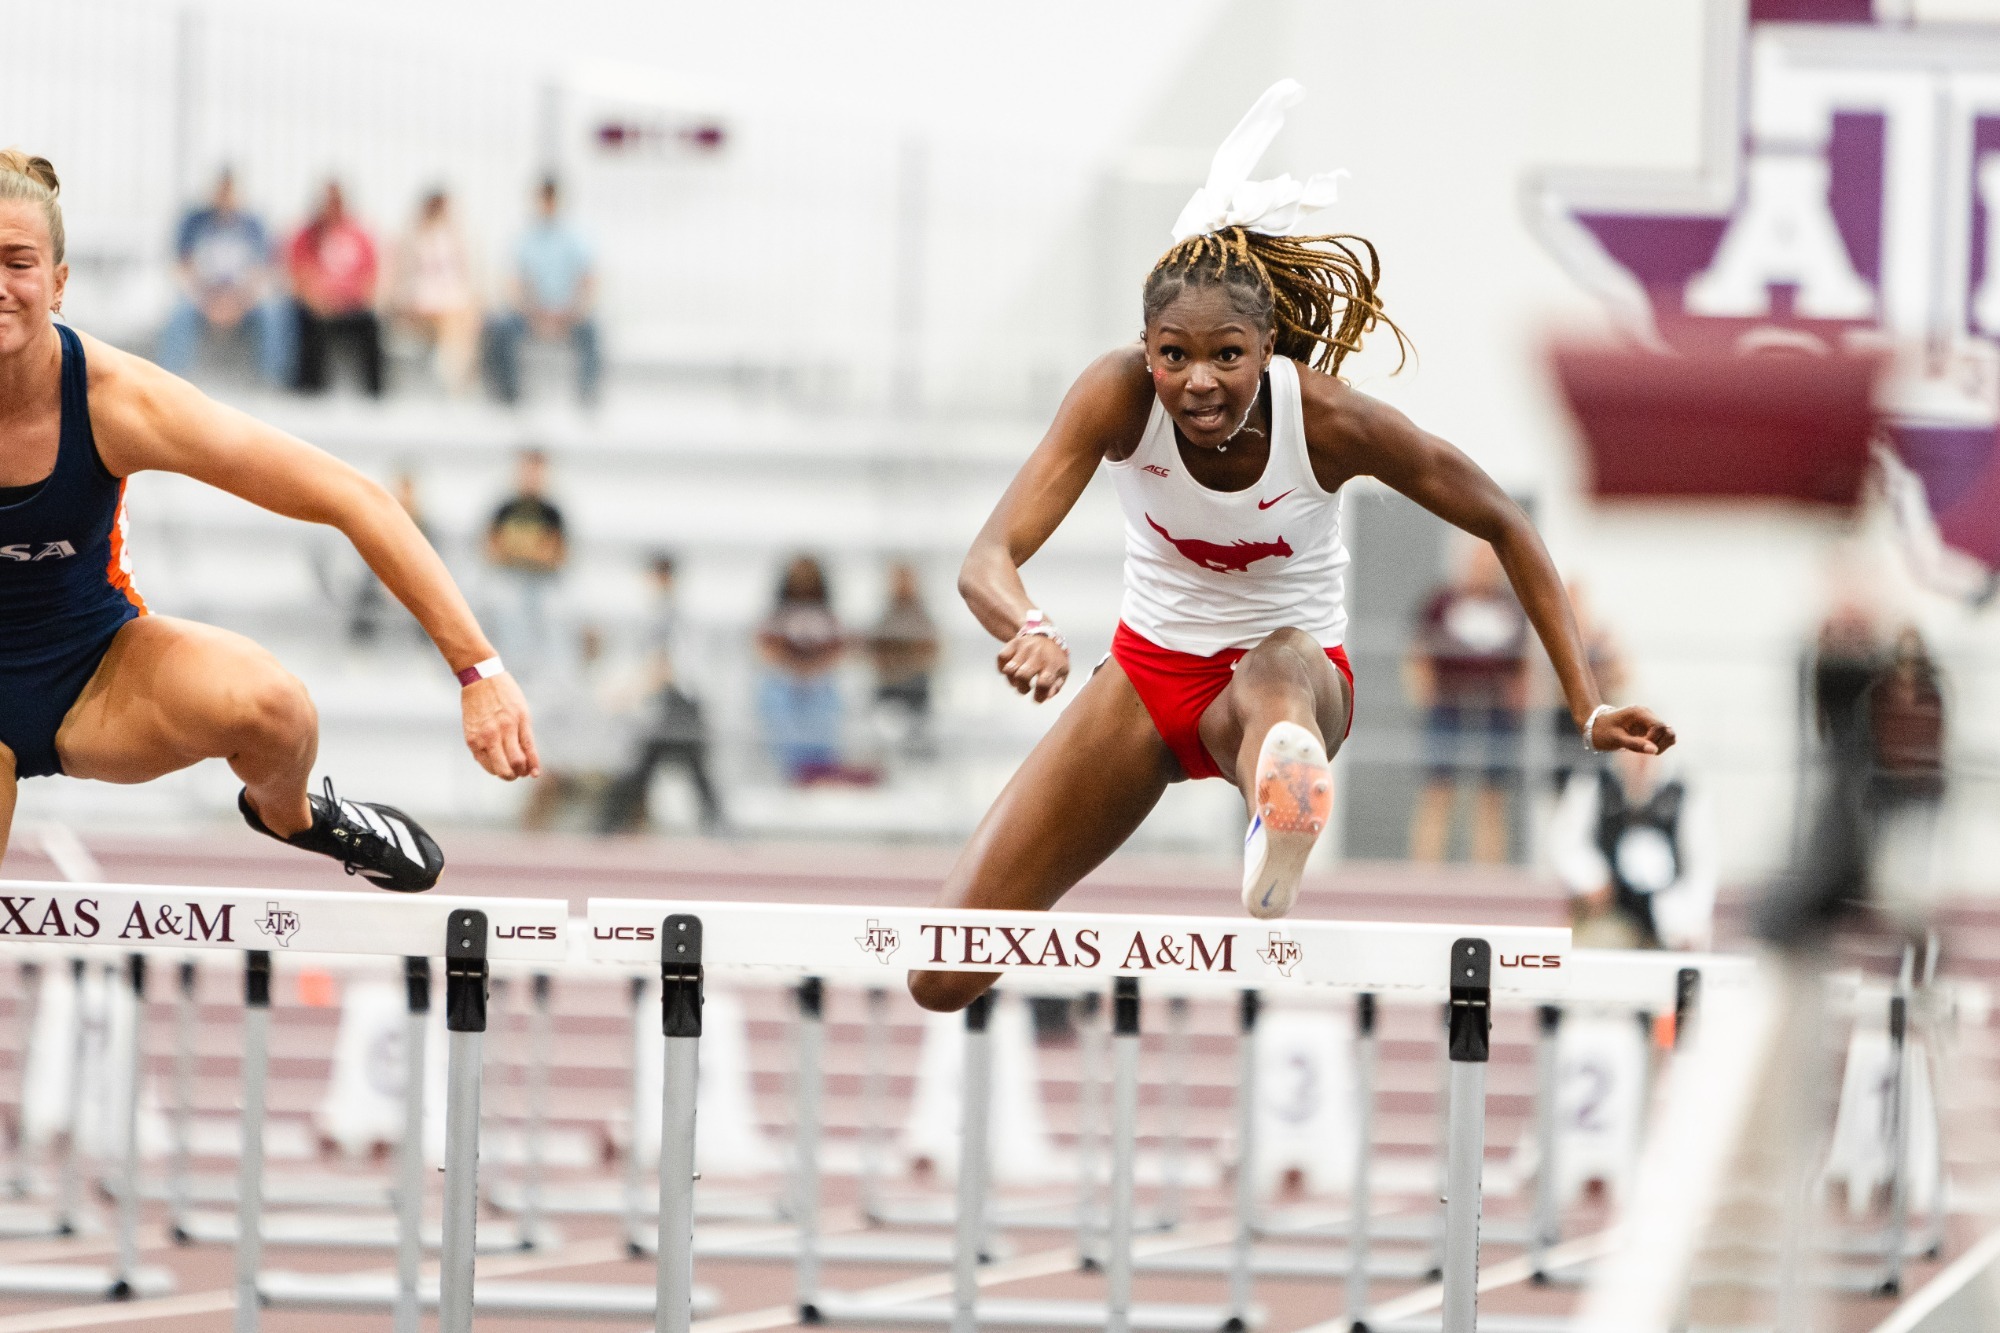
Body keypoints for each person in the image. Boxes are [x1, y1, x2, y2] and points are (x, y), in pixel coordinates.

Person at [904, 83, 1671, 1013]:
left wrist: (1584, 704)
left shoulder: (1331, 421)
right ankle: (1275, 800)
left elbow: (1503, 521)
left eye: (1226, 354)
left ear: (1267, 347)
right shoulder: (1116, 396)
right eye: (1173, 356)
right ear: (1145, 349)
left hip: (1294, 683)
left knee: (1275, 665)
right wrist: (1025, 622)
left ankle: (1281, 803)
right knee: (943, 971)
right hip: (1147, 678)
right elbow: (988, 554)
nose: (1198, 384)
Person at [0, 149, 537, 889]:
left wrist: (481, 671)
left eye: (17, 261)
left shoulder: (120, 403)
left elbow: (355, 497)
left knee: (275, 708)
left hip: (90, 673)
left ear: (59, 283)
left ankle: (291, 815)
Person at [1405, 542, 1529, 863]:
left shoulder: (1509, 608)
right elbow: (1418, 650)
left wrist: (1520, 697)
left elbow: (1522, 662)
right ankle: (1426, 870)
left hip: (1495, 706)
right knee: (1438, 788)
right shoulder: (1442, 603)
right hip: (1448, 703)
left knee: (1492, 795)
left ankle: (1488, 873)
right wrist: (1423, 691)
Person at [598, 554, 724, 833]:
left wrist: (640, 687)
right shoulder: (650, 616)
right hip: (656, 705)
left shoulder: (679, 619)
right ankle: (609, 824)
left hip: (679, 703)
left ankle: (717, 822)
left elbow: (675, 664)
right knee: (641, 767)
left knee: (678, 766)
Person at [1551, 748, 1717, 950]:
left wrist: (1689, 917)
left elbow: (1702, 862)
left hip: (1667, 920)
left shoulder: (1684, 791)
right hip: (1610, 911)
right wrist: (1591, 878)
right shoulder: (1594, 782)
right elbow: (1565, 842)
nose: (1640, 759)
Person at [157, 169, 293, 386]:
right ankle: (171, 379)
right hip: (204, 296)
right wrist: (208, 301)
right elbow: (183, 268)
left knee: (273, 312)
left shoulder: (253, 225)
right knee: (180, 312)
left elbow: (263, 272)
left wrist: (238, 303)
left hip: (242, 299)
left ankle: (274, 380)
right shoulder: (195, 223)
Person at [483, 177, 600, 407]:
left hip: (567, 313)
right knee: (500, 327)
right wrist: (531, 312)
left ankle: (587, 397)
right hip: (531, 313)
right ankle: (510, 396)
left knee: (592, 328)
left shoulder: (575, 237)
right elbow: (514, 283)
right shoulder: (525, 238)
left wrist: (573, 311)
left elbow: (588, 281)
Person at [757, 555, 871, 785]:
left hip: (820, 679)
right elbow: (766, 648)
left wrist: (813, 669)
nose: (803, 582)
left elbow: (839, 648)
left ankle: (820, 768)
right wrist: (795, 669)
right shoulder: (778, 615)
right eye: (798, 576)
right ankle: (789, 768)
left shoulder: (828, 616)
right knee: (774, 692)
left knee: (828, 694)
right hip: (786, 679)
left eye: (808, 576)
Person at [287, 180, 384, 397]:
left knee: (371, 324)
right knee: (308, 322)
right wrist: (320, 302)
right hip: (318, 306)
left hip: (351, 305)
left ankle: (374, 394)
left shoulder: (359, 235)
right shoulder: (307, 235)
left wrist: (350, 301)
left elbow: (370, 277)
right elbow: (299, 276)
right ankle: (311, 392)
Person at [483, 447, 567, 690]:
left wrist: (518, 551)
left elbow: (556, 555)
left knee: (553, 609)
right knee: (504, 602)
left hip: (543, 582)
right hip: (509, 578)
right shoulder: (505, 508)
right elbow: (491, 549)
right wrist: (532, 551)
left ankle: (549, 677)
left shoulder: (552, 512)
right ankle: (513, 672)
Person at [388, 189, 481, 395]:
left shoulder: (454, 238)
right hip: (420, 303)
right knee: (456, 319)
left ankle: (453, 374)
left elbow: (462, 277)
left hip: (449, 303)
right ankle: (454, 378)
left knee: (461, 318)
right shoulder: (412, 238)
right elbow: (400, 280)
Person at [868, 561, 941, 753]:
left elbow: (931, 652)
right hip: (889, 688)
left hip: (915, 687)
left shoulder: (923, 617)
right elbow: (875, 653)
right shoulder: (885, 617)